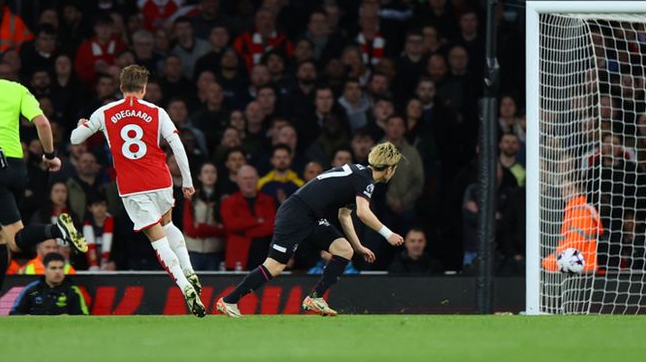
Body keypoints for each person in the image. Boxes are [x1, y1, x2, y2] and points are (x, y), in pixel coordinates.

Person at [0, 42, 87, 322]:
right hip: (16, 168)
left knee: (16, 241)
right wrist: (50, 156)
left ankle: (56, 227)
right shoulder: (15, 89)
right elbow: (43, 124)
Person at [69, 64, 205, 317]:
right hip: (161, 179)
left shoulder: (105, 111)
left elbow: (76, 140)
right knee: (168, 225)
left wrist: (81, 125)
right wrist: (187, 181)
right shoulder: (157, 112)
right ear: (143, 89)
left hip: (132, 187)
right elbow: (177, 145)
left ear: (121, 88)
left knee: (157, 239)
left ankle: (184, 284)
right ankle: (189, 269)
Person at [216, 142, 406, 317]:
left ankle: (315, 297)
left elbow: (344, 215)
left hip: (312, 216)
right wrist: (388, 234)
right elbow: (363, 213)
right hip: (296, 213)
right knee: (275, 266)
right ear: (389, 169)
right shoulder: (365, 180)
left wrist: (358, 246)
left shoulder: (359, 174)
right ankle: (228, 301)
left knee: (344, 249)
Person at [10, 252, 88, 315]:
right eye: (53, 268)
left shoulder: (72, 291)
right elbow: (14, 313)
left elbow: (84, 316)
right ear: (44, 270)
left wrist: (68, 318)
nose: (58, 272)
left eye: (61, 268)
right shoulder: (32, 290)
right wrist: (29, 318)